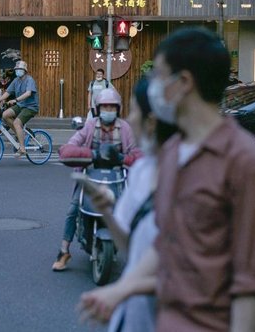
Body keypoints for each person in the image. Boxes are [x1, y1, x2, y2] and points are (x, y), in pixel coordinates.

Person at [78, 28, 255, 331]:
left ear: (184, 83)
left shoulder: (248, 163)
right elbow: (165, 243)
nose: (153, 86)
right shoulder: (171, 153)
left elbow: (249, 285)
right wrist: (121, 289)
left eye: (159, 75)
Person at [80, 78, 178, 332]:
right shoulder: (143, 170)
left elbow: (187, 273)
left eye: (134, 111)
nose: (129, 120)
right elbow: (131, 250)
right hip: (133, 319)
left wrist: (123, 288)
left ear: (152, 122)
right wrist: (107, 212)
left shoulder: (189, 179)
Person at [53, 88, 140, 272]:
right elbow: (67, 149)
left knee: (134, 211)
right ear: (98, 109)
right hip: (91, 175)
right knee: (73, 208)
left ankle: (137, 255)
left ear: (118, 108)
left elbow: (138, 154)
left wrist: (121, 158)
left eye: (112, 106)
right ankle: (64, 250)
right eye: (104, 106)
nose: (108, 109)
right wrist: (92, 154)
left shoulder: (125, 128)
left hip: (117, 178)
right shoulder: (90, 125)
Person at [0, 60, 39, 157]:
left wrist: (15, 100)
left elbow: (28, 93)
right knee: (5, 115)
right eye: (16, 69)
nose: (17, 71)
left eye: (19, 69)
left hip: (30, 107)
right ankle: (18, 133)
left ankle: (22, 148)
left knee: (16, 122)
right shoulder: (16, 80)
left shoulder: (29, 80)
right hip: (21, 105)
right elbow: (8, 92)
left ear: (24, 70)